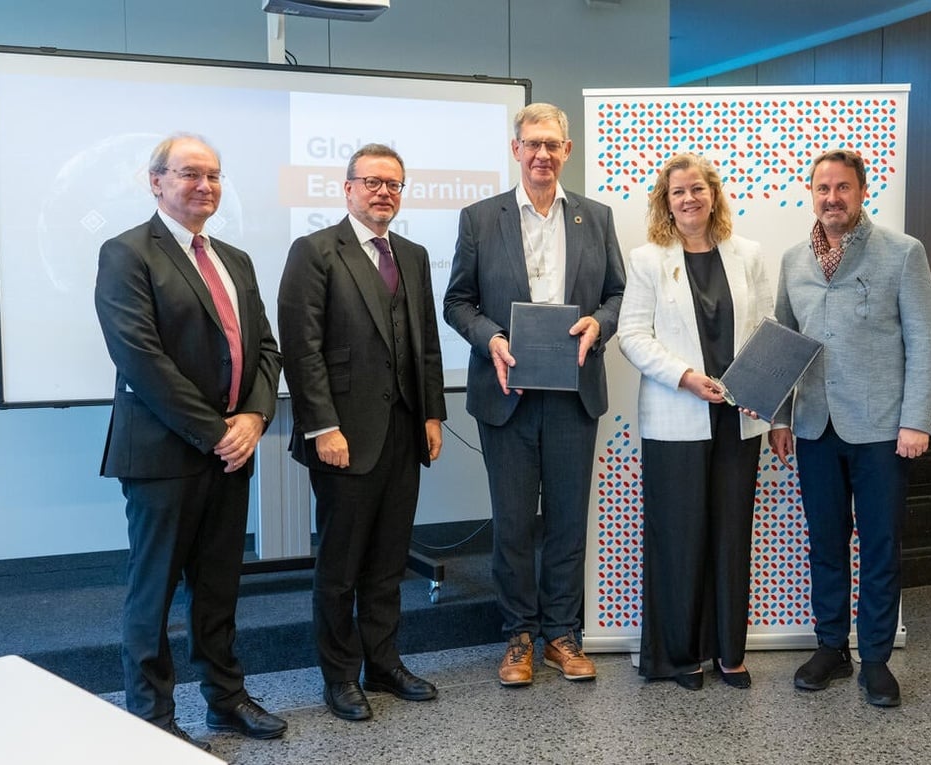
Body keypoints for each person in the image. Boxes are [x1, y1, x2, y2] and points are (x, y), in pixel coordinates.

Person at [94, 134, 287, 750]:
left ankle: (225, 700)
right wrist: (215, 433)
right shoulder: (126, 253)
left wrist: (254, 419)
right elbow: (140, 359)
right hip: (164, 454)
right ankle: (150, 718)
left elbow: (264, 349)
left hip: (233, 447)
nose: (205, 186)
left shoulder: (235, 258)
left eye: (214, 175)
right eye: (189, 174)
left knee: (219, 588)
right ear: (156, 181)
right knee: (152, 594)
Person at [444, 102, 625, 687]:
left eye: (553, 144)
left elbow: (618, 296)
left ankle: (562, 636)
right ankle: (519, 636)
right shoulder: (480, 218)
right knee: (515, 523)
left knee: (569, 522)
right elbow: (458, 302)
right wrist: (491, 337)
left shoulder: (596, 218)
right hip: (507, 391)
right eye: (532, 144)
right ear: (515, 149)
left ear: (567, 150)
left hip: (574, 394)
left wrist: (600, 324)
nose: (542, 154)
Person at [278, 144, 447, 721]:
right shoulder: (316, 251)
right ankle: (339, 676)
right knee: (341, 563)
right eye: (372, 182)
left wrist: (431, 414)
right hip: (343, 434)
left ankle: (384, 661)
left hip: (403, 430)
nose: (383, 192)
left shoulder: (415, 255)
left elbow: (424, 340)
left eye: (394, 185)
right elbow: (301, 349)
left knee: (388, 558)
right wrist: (323, 424)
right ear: (347, 188)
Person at [769, 149, 931, 708]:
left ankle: (874, 659)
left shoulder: (902, 253)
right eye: (823, 188)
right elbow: (782, 344)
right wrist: (778, 416)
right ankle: (830, 648)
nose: (832, 197)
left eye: (843, 187)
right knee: (824, 542)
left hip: (880, 429)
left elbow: (926, 340)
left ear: (862, 192)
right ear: (811, 192)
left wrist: (916, 418)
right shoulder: (794, 259)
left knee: (881, 544)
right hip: (815, 426)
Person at [618, 153, 773, 691]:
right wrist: (684, 376)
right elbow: (633, 335)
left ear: (714, 196)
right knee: (680, 537)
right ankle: (680, 655)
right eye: (678, 191)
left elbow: (766, 330)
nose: (689, 199)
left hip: (738, 418)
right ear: (666, 201)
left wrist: (765, 390)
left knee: (732, 536)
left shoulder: (748, 253)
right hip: (675, 417)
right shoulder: (647, 259)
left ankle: (730, 652)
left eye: (698, 190)